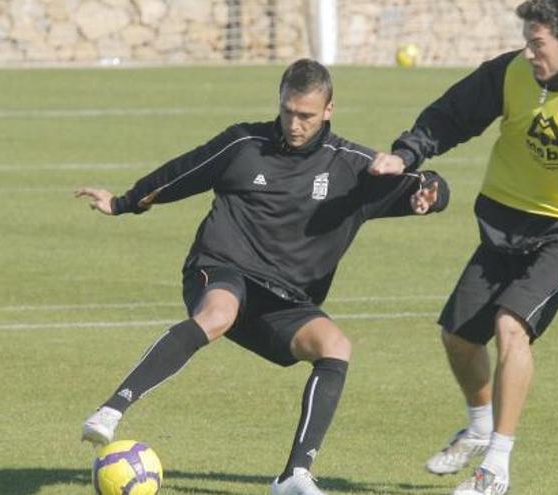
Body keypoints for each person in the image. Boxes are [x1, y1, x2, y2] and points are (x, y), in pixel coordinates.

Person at [75, 58, 449, 495]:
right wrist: (124, 203)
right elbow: (182, 173)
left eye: (306, 115)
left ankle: (294, 475)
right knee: (219, 312)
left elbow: (430, 187)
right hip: (220, 267)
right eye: (288, 111)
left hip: (284, 298)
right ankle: (112, 411)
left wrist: (432, 192)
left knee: (335, 346)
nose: (294, 123)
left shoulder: (353, 168)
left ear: (328, 110)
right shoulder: (244, 143)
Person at [370, 1, 558, 494]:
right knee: (459, 337)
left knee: (511, 327)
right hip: (505, 223)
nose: (529, 53)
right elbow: (452, 115)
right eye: (527, 41)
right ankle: (480, 425)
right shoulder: (510, 72)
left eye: (539, 44)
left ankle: (496, 467)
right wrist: (407, 153)